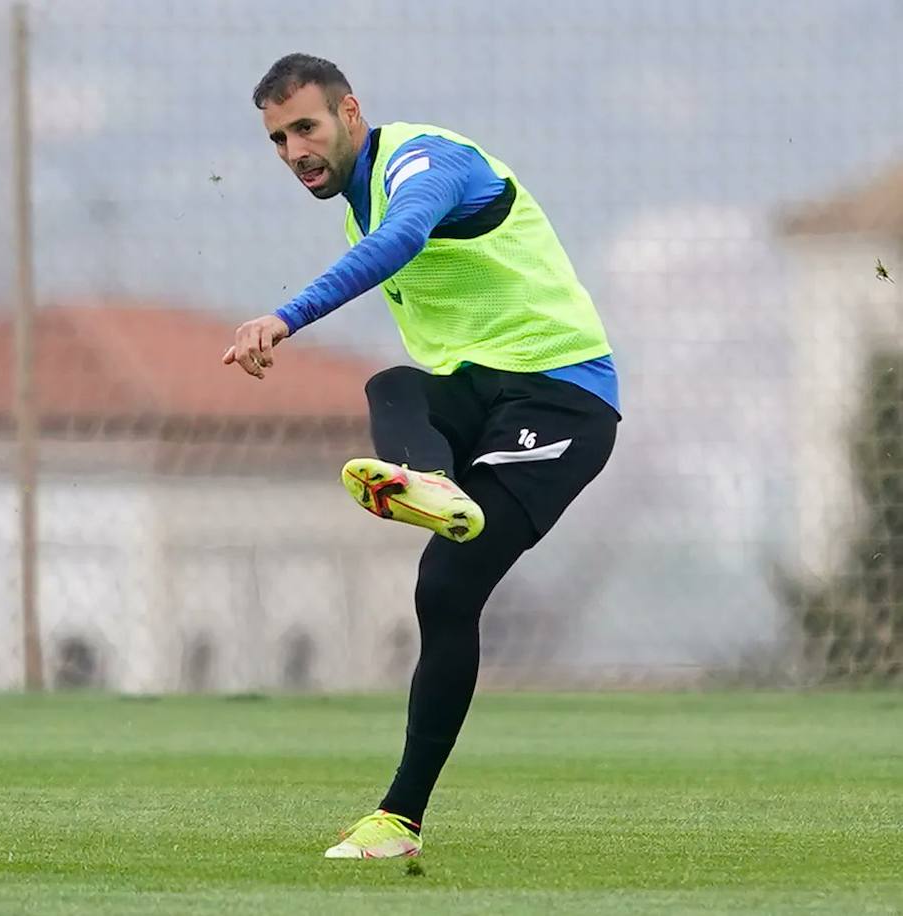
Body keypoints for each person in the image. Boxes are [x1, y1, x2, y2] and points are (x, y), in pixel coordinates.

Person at [222, 53, 621, 859]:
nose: (295, 151)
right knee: (394, 387)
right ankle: (430, 484)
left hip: (561, 400)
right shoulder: (357, 206)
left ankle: (398, 819)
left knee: (444, 587)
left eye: (306, 127)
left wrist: (286, 317)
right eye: (277, 139)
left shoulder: (424, 161)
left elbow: (402, 238)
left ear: (351, 112)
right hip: (483, 394)